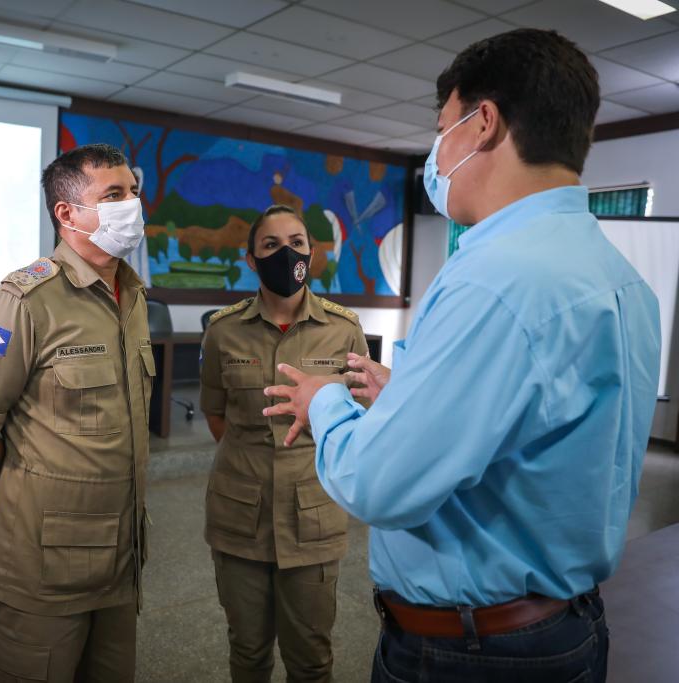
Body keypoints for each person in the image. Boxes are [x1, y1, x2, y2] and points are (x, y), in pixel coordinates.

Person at [262, 29, 661, 683]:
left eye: (442, 126)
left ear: (482, 123)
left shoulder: (494, 278)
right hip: (567, 625)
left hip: (474, 654)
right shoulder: (620, 280)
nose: (434, 153)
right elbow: (546, 436)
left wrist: (324, 400)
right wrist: (415, 394)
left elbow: (380, 483)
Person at [0, 143, 156, 682]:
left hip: (120, 556)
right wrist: (16, 466)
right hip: (45, 566)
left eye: (133, 192)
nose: (132, 204)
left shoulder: (132, 296)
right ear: (68, 213)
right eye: (114, 195)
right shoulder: (23, 301)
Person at [200, 204, 369, 683]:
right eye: (271, 246)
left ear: (311, 253)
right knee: (248, 653)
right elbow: (215, 414)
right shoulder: (223, 330)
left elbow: (361, 416)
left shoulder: (343, 328)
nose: (285, 253)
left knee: (311, 659)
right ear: (251, 260)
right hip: (240, 514)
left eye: (296, 242)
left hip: (314, 512)